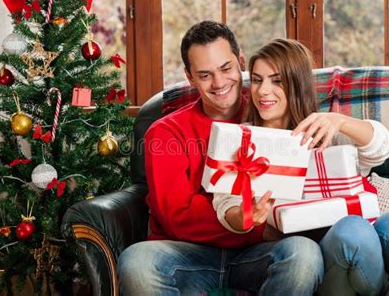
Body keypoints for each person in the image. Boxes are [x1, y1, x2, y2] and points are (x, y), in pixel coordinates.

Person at [214, 38, 389, 296]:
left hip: (367, 259)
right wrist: (248, 215)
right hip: (318, 264)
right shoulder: (244, 141)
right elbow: (225, 206)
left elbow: (381, 147)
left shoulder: (323, 129)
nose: (263, 91)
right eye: (256, 79)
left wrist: (338, 120)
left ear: (297, 84)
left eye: (277, 81)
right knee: (352, 228)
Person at [116, 21, 323, 295]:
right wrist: (261, 229)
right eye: (205, 75)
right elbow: (178, 217)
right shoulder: (166, 133)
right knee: (137, 261)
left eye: (226, 69)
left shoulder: (269, 110)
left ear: (240, 62)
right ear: (189, 77)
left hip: (257, 255)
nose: (219, 83)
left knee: (304, 254)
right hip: (187, 255)